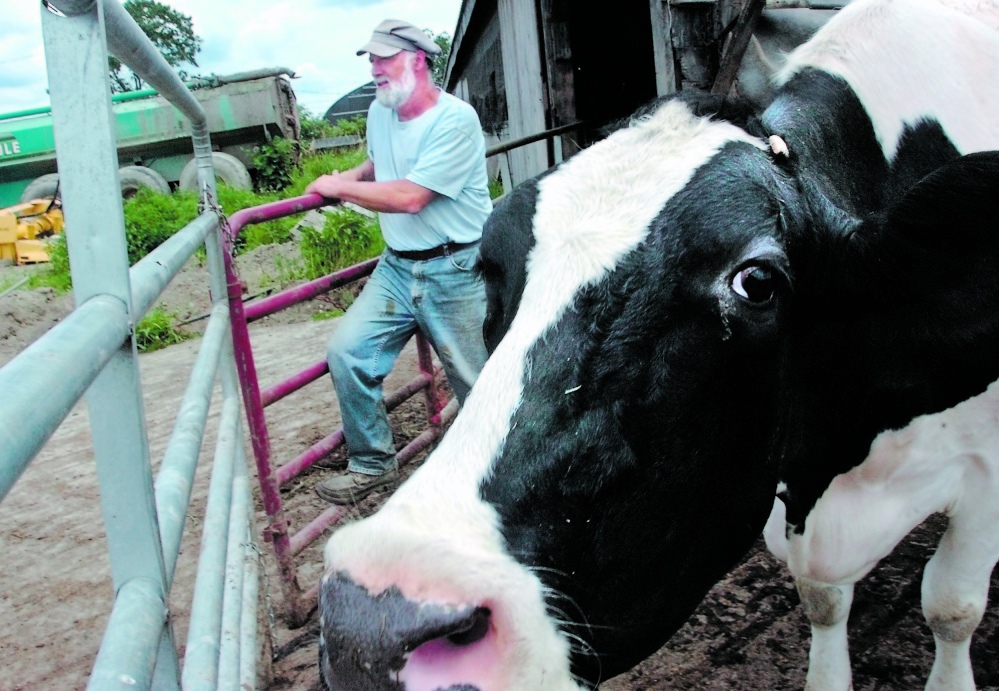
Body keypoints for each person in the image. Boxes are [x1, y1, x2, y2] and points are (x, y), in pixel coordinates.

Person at [306, 19, 492, 505]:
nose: (374, 68)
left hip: (455, 268)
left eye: (384, 58)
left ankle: (495, 479)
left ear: (417, 59)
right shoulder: (379, 112)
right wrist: (346, 175)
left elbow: (411, 196)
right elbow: (378, 165)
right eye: (370, 59)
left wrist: (339, 188)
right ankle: (372, 464)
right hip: (396, 266)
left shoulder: (455, 120)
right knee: (348, 353)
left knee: (477, 381)